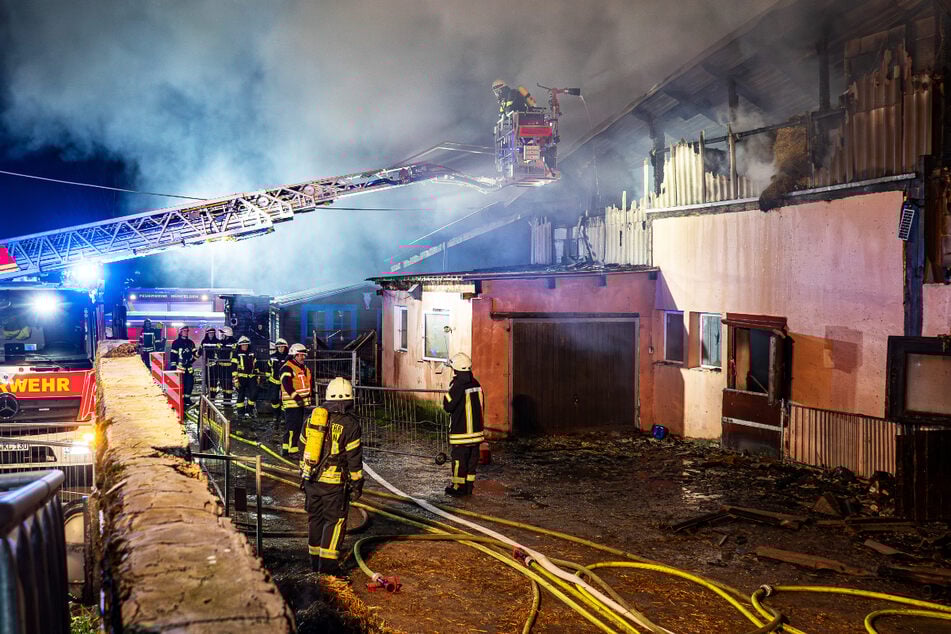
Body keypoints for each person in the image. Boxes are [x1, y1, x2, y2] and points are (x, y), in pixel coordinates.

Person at [298, 376, 363, 575]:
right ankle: (327, 570)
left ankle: (314, 562)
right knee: (335, 522)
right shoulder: (350, 424)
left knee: (315, 519)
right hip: (333, 484)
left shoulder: (313, 418)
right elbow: (354, 459)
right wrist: (357, 484)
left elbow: (301, 445)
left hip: (311, 479)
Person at [442, 352, 484, 497]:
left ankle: (458, 488)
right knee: (471, 463)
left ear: (456, 369)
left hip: (462, 434)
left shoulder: (458, 385)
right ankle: (468, 488)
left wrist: (448, 392)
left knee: (459, 461)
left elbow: (448, 405)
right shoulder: (476, 383)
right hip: (476, 434)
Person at [280, 343, 313, 457]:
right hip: (292, 402)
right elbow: (286, 385)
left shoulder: (304, 368)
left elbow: (307, 384)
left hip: (300, 403)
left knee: (297, 426)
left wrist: (308, 397)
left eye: (304, 355)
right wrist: (296, 397)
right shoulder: (287, 367)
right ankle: (291, 450)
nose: (302, 357)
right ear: (294, 355)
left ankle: (286, 449)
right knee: (292, 427)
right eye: (300, 355)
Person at [168, 326, 197, 407]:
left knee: (190, 384)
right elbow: (173, 355)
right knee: (181, 385)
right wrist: (173, 366)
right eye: (184, 331)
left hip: (189, 368)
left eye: (187, 331)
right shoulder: (176, 343)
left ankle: (187, 399)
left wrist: (193, 359)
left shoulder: (191, 343)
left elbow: (195, 354)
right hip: (180, 368)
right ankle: (180, 400)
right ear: (180, 332)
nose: (186, 332)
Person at [233, 336, 258, 419]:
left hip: (251, 377)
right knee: (241, 395)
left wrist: (257, 375)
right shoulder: (236, 354)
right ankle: (240, 413)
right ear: (240, 345)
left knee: (254, 394)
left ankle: (249, 409)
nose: (245, 346)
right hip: (241, 377)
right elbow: (233, 367)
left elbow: (255, 364)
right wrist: (235, 379)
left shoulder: (252, 353)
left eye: (246, 345)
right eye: (243, 345)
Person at [267, 339, 288, 419]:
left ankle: (283, 416)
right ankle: (276, 414)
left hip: (285, 382)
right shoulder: (272, 357)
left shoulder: (288, 357)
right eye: (279, 347)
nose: (281, 349)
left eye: (282, 347)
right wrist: (267, 378)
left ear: (285, 347)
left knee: (284, 399)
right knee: (274, 398)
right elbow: (268, 368)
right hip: (274, 381)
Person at [198, 327, 220, 400]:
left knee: (214, 381)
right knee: (207, 381)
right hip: (206, 366)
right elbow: (199, 352)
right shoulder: (204, 341)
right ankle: (208, 395)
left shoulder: (217, 341)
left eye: (213, 333)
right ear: (207, 334)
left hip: (215, 366)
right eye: (210, 333)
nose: (211, 334)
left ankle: (213, 397)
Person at [217, 326, 236, 405]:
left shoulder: (233, 342)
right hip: (221, 366)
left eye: (222, 333)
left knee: (228, 383)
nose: (221, 335)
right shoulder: (221, 342)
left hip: (229, 367)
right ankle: (225, 398)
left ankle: (228, 399)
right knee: (223, 383)